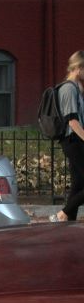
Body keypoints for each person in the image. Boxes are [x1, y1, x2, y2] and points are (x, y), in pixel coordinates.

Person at [50, 50, 84, 222]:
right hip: (73, 140)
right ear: (78, 68)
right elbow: (72, 121)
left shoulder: (76, 88)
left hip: (76, 140)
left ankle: (67, 220)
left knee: (78, 184)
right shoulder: (68, 89)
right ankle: (62, 214)